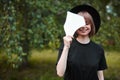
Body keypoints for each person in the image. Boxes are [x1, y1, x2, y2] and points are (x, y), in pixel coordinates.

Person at [56, 4, 107, 80]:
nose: (83, 27)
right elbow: (60, 73)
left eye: (86, 23)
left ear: (91, 25)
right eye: (80, 24)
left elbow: (100, 76)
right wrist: (66, 47)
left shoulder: (98, 49)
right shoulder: (66, 45)